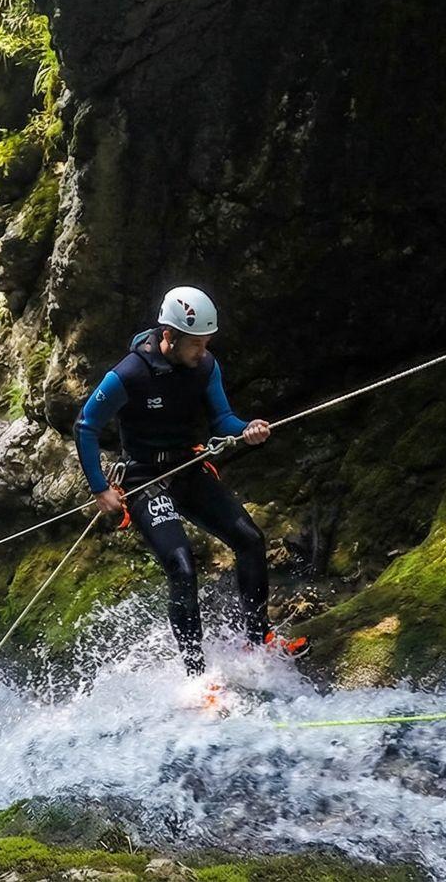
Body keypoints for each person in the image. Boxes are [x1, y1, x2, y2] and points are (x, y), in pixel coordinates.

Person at [73, 285, 295, 675]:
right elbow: (86, 425)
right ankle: (197, 677)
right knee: (182, 567)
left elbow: (222, 419)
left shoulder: (206, 366)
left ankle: (257, 641)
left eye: (207, 343)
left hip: (187, 467)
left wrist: (248, 428)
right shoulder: (128, 374)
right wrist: (99, 488)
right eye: (196, 344)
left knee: (250, 539)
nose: (203, 352)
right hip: (144, 478)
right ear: (169, 337)